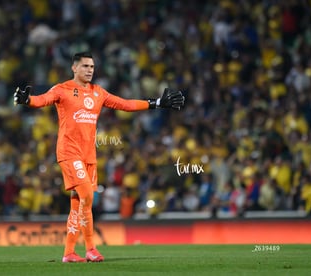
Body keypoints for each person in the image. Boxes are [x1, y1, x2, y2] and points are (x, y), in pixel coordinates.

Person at [14, 52, 184, 263]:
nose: (89, 70)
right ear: (74, 68)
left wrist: (157, 102)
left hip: (89, 156)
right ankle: (91, 249)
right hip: (69, 152)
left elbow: (126, 104)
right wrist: (27, 100)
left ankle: (68, 253)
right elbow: (42, 100)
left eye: (92, 67)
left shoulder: (98, 93)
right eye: (85, 66)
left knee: (78, 204)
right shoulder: (62, 89)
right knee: (87, 196)